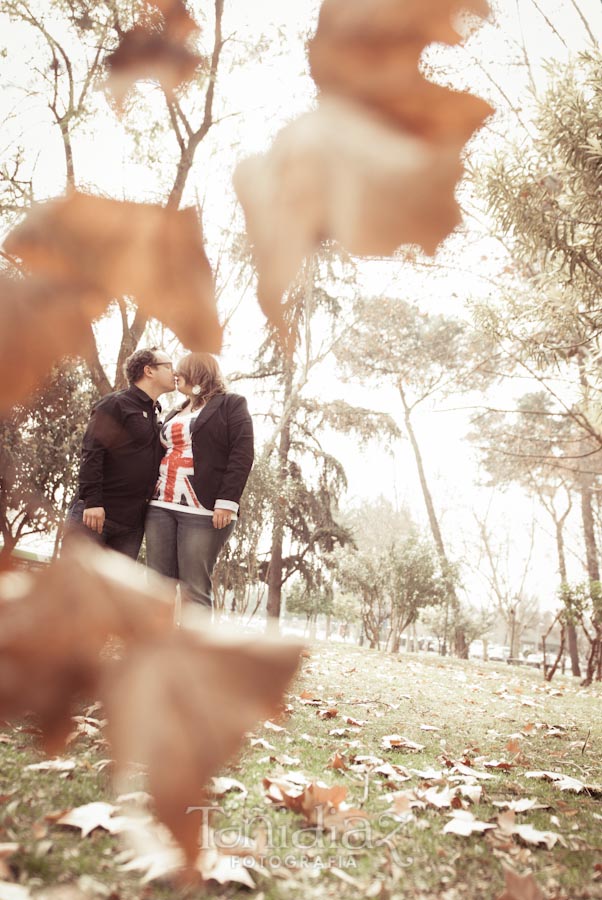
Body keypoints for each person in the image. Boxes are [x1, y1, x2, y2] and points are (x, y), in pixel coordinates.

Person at [145, 352, 254, 608]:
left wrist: (227, 501)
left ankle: (195, 648)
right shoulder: (176, 411)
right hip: (161, 504)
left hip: (203, 510)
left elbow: (242, 452)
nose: (174, 375)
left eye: (180, 370)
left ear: (198, 373)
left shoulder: (231, 404)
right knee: (158, 588)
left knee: (194, 589)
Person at [64, 347, 176, 559]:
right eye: (168, 366)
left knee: (112, 593)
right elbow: (92, 452)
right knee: (74, 589)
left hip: (131, 528)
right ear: (148, 371)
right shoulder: (115, 404)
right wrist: (93, 502)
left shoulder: (156, 415)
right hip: (96, 515)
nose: (175, 372)